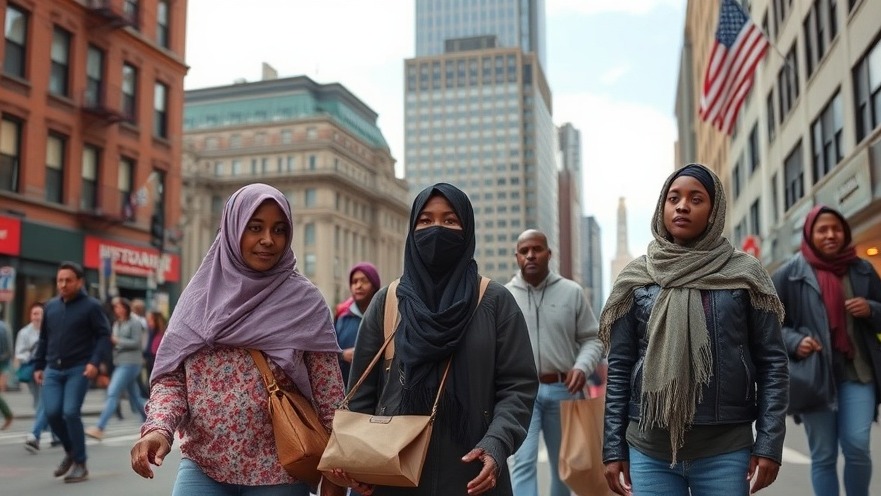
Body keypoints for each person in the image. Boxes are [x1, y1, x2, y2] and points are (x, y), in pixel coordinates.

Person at [130, 183, 347, 496]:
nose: (268, 240)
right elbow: (173, 380)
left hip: (281, 469)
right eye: (255, 227)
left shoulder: (306, 302)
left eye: (279, 230)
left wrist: (338, 466)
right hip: (204, 465)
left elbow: (329, 394)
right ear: (232, 229)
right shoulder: (199, 297)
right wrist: (159, 429)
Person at [329, 182, 538, 496]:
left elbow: (517, 386)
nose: (437, 229)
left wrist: (497, 442)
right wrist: (357, 459)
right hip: (393, 472)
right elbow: (361, 392)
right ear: (411, 231)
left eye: (450, 221)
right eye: (425, 221)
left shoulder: (495, 302)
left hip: (473, 473)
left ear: (467, 231)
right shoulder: (387, 302)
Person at [599, 163, 788, 496]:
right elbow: (619, 367)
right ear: (663, 207)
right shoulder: (637, 277)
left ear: (714, 211)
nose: (682, 205)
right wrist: (613, 448)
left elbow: (773, 364)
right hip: (648, 449)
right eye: (674, 198)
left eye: (695, 198)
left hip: (725, 449)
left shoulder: (745, 274)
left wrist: (769, 443)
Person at [771, 205, 881, 496]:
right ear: (809, 233)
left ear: (844, 232)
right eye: (823, 229)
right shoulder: (788, 275)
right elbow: (769, 329)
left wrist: (871, 309)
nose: (831, 234)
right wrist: (795, 341)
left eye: (837, 229)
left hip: (858, 372)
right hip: (815, 377)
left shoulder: (862, 269)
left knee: (857, 446)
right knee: (823, 455)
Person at [507, 229, 604, 496]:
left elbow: (593, 339)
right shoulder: (504, 297)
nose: (530, 255)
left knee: (564, 466)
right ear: (516, 256)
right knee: (522, 462)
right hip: (521, 393)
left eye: (536, 249)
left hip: (564, 390)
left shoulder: (572, 292)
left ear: (549, 254)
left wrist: (582, 367)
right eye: (524, 251)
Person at [33, 261, 113, 483]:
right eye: (60, 280)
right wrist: (38, 365)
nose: (63, 284)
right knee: (51, 413)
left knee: (70, 412)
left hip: (79, 368)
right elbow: (44, 339)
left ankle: (80, 463)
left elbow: (103, 336)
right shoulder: (51, 307)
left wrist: (95, 362)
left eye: (68, 280)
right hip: (52, 369)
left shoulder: (91, 306)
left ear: (80, 282)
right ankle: (71, 451)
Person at [86, 296, 147, 440]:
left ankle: (100, 427)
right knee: (135, 397)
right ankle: (152, 419)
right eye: (115, 308)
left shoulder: (135, 322)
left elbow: (137, 343)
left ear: (125, 308)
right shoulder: (117, 323)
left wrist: (118, 341)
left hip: (131, 363)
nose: (117, 310)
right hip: (120, 361)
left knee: (113, 392)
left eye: (119, 307)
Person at [16, 302, 60, 452]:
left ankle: (36, 435)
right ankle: (55, 434)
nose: (37, 317)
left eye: (39, 313)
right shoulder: (24, 332)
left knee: (46, 403)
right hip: (32, 369)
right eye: (34, 314)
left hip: (48, 369)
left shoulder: (50, 330)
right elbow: (19, 353)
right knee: (39, 404)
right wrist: (31, 356)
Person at [335, 262, 381, 382]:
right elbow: (329, 352)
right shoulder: (342, 318)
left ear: (375, 286)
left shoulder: (384, 316)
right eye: (354, 282)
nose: (358, 286)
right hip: (347, 389)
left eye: (364, 281)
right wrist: (343, 355)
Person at [0, 316, 11, 430]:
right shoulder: (5, 327)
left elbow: (8, 350)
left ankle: (8, 415)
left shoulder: (2, 328)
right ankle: (8, 415)